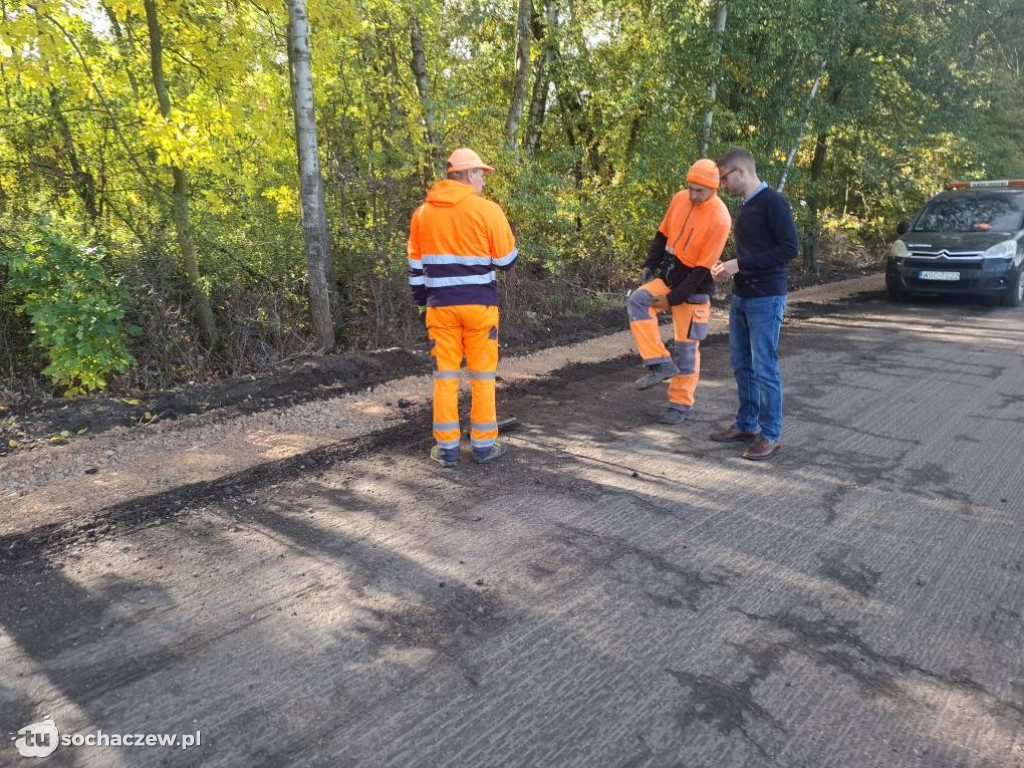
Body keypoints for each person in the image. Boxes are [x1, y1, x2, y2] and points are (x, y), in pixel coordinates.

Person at [407, 148, 518, 467]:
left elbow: (416, 269)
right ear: (468, 174)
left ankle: (448, 450)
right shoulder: (488, 210)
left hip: (440, 309)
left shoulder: (422, 215)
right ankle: (483, 446)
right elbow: (506, 261)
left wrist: (423, 302)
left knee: (445, 378)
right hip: (479, 308)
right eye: (481, 174)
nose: (483, 181)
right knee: (482, 377)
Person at [710, 148, 799, 460]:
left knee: (764, 368)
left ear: (741, 171)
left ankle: (771, 435)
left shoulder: (773, 202)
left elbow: (789, 249)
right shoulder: (748, 205)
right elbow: (754, 253)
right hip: (743, 295)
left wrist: (740, 264)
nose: (722, 185)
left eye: (724, 178)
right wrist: (730, 267)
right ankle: (746, 424)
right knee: (742, 365)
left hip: (766, 297)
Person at [627, 159, 731, 424]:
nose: (693, 195)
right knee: (638, 300)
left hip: (694, 289)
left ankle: (681, 405)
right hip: (669, 278)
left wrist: (672, 299)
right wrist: (650, 265)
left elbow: (701, 271)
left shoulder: (720, 218)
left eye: (700, 191)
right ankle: (659, 363)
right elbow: (662, 235)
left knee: (686, 349)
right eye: (690, 188)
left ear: (714, 188)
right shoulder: (679, 199)